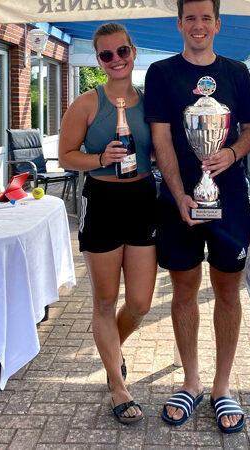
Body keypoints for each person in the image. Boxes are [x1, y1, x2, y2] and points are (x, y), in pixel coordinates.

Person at [144, 0, 250, 434]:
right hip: (179, 205)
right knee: (184, 289)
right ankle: (190, 382)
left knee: (228, 292)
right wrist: (179, 196)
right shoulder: (161, 73)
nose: (198, 25)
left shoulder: (237, 73)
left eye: (205, 18)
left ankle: (222, 386)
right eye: (190, 18)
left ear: (217, 24)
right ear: (178, 23)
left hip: (227, 199)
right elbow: (160, 138)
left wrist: (230, 152)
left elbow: (249, 131)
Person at [58, 23, 157, 425]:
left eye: (122, 52)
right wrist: (100, 159)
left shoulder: (150, 103)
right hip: (102, 200)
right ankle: (117, 385)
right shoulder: (86, 103)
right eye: (106, 55)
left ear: (133, 53)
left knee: (139, 303)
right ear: (98, 60)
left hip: (143, 199)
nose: (116, 60)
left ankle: (112, 349)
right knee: (104, 300)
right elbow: (66, 156)